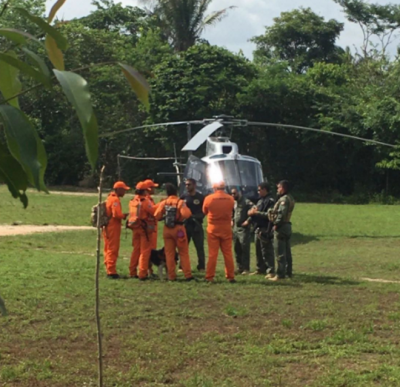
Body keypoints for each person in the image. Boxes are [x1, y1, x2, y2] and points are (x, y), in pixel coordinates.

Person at [154, 183, 195, 281]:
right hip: (179, 229)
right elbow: (187, 214)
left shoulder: (164, 202)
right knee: (183, 252)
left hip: (167, 229)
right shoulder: (180, 202)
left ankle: (171, 276)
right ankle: (188, 275)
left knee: (169, 253)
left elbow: (157, 216)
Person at [202, 181, 235, 283]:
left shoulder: (208, 198)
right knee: (228, 253)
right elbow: (232, 210)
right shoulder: (230, 198)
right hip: (226, 228)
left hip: (213, 228)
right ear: (224, 188)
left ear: (215, 188)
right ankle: (230, 276)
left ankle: (209, 277)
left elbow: (204, 211)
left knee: (212, 254)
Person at [128, 182, 156, 281]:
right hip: (144, 230)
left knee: (136, 250)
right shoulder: (145, 201)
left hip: (135, 228)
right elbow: (153, 212)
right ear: (145, 191)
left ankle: (132, 271)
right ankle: (142, 273)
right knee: (145, 251)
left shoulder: (132, 201)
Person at [267, 180, 295, 281]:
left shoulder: (283, 200)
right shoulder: (290, 198)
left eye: (278, 187)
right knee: (287, 251)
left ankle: (280, 274)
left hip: (281, 227)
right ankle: (289, 272)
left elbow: (281, 214)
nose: (277, 190)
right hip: (287, 226)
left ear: (282, 188)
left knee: (279, 252)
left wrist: (276, 224)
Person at [247, 182, 276, 278]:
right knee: (258, 250)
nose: (258, 192)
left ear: (265, 190)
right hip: (257, 228)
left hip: (265, 228)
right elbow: (255, 210)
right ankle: (260, 268)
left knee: (266, 251)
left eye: (259, 190)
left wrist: (256, 213)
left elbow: (269, 215)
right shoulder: (260, 200)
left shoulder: (270, 201)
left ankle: (271, 270)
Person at [103, 181, 130, 279]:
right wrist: (124, 216)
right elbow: (116, 214)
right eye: (124, 190)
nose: (125, 192)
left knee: (107, 247)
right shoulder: (115, 200)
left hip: (108, 226)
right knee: (112, 248)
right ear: (118, 190)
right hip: (112, 227)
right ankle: (111, 271)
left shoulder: (109, 197)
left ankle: (108, 267)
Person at [180, 178, 206, 272]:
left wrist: (198, 217)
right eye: (186, 185)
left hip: (197, 225)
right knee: (183, 246)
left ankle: (202, 266)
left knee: (199, 247)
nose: (187, 186)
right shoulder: (183, 197)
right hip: (186, 225)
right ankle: (182, 266)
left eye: (189, 184)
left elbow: (205, 211)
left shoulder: (200, 197)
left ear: (194, 185)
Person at [231, 187, 254, 275]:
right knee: (237, 248)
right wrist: (232, 219)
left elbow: (254, 209)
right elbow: (232, 212)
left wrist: (248, 221)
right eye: (232, 193)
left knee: (244, 248)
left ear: (240, 193)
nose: (233, 195)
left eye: (235, 193)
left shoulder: (246, 202)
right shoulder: (234, 202)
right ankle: (239, 267)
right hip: (235, 229)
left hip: (243, 229)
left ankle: (246, 268)